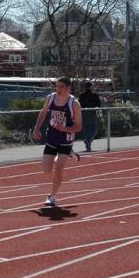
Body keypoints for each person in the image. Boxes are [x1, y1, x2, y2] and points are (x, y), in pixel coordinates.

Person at [32, 76, 82, 207]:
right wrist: (36, 129)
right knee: (46, 170)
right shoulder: (50, 98)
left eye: (61, 87)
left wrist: (65, 128)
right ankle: (67, 154)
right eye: (57, 86)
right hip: (52, 138)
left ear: (68, 88)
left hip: (66, 139)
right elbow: (43, 113)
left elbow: (79, 126)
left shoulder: (74, 104)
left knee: (58, 170)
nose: (58, 89)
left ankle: (52, 197)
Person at [78, 80, 100, 152]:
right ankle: (88, 140)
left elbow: (79, 104)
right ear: (91, 87)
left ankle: (88, 142)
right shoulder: (94, 95)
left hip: (84, 113)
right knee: (94, 129)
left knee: (86, 128)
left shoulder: (81, 95)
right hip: (91, 113)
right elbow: (98, 104)